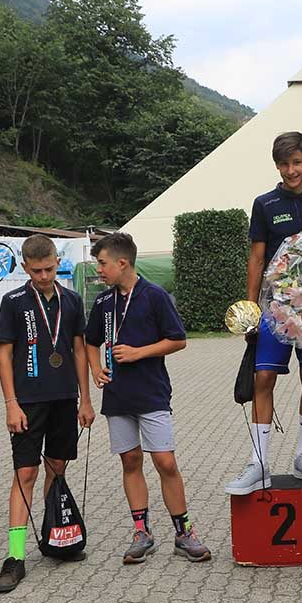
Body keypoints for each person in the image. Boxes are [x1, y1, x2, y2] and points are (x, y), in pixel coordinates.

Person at [85, 233, 211, 563]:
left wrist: (140, 353)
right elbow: (89, 341)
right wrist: (96, 368)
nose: (99, 270)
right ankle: (141, 532)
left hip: (152, 393)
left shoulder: (154, 296)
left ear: (122, 263)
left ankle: (184, 532)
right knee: (130, 461)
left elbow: (178, 340)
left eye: (102, 263)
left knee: (165, 462)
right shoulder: (103, 302)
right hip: (117, 397)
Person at [0, 235, 96, 593]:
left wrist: (85, 400)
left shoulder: (72, 300)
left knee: (57, 468)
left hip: (64, 399)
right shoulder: (13, 302)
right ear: (24, 267)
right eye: (36, 270)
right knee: (25, 473)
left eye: (49, 269)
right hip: (28, 401)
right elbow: (4, 355)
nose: (43, 276)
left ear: (58, 262)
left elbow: (79, 351)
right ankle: (15, 557)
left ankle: (55, 539)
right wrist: (11, 403)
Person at [226, 132, 302, 494]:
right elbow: (257, 257)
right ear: (277, 166)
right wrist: (252, 307)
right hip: (275, 308)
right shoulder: (265, 203)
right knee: (263, 379)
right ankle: (259, 462)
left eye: (297, 163)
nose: (291, 170)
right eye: (284, 164)